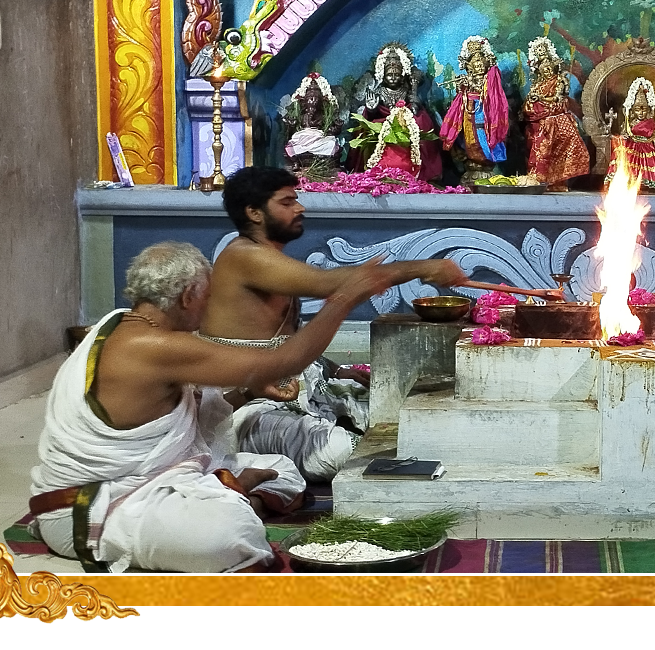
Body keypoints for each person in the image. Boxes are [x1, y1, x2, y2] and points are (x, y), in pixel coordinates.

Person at [29, 241, 393, 573]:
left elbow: (186, 420)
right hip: (91, 508)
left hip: (148, 477)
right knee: (232, 533)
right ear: (189, 296)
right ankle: (232, 497)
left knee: (281, 469)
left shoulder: (121, 324)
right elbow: (286, 360)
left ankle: (230, 491)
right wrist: (343, 300)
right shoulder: (152, 346)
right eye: (208, 296)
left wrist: (249, 393)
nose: (210, 307)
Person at [200, 166, 469, 481]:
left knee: (396, 416)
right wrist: (422, 267)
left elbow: (286, 338)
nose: (300, 208)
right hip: (248, 409)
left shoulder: (263, 256)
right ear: (254, 213)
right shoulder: (243, 256)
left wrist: (336, 370)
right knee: (345, 451)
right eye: (287, 202)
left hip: (295, 394)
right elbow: (330, 284)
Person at [349, 43, 443, 181]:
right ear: (383, 76)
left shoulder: (406, 91)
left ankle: (422, 168)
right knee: (367, 128)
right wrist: (371, 109)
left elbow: (414, 110)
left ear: (403, 75)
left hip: (404, 123)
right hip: (383, 126)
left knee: (422, 121)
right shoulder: (379, 92)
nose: (393, 77)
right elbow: (373, 116)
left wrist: (415, 102)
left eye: (396, 74)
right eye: (389, 75)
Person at [521, 36, 590, 191]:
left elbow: (558, 99)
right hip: (539, 122)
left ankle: (558, 181)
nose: (546, 70)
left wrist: (541, 99)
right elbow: (530, 102)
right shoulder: (538, 85)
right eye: (543, 67)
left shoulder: (559, 80)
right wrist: (532, 101)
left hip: (557, 121)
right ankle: (540, 179)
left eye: (548, 66)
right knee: (538, 149)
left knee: (558, 149)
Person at [439, 35, 510, 183]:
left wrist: (474, 84)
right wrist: (462, 87)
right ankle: (471, 164)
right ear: (469, 65)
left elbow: (492, 94)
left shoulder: (491, 79)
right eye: (474, 62)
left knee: (485, 139)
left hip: (486, 113)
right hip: (469, 113)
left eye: (481, 60)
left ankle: (486, 163)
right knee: (469, 140)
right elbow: (461, 96)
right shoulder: (467, 79)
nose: (478, 65)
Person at [606, 77, 655, 193]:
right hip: (633, 146)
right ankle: (627, 183)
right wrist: (621, 137)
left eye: (644, 110)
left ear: (649, 110)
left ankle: (653, 185)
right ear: (632, 110)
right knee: (621, 151)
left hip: (648, 147)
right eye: (637, 110)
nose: (641, 113)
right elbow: (623, 135)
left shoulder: (652, 123)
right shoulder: (629, 123)